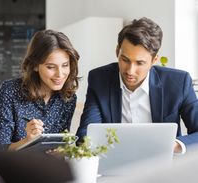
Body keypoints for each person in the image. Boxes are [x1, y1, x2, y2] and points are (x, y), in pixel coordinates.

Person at [76, 17, 198, 153]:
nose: (130, 71)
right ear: (117, 51)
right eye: (125, 60)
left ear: (154, 60)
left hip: (163, 165)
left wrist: (173, 145)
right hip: (114, 162)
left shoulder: (178, 83)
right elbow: (85, 135)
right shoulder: (99, 79)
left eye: (140, 63)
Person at [0, 29, 80, 150]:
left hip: (43, 166)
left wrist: (62, 151)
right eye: (51, 67)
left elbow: (60, 145)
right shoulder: (9, 91)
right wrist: (28, 140)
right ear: (35, 65)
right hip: (9, 164)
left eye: (65, 65)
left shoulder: (68, 98)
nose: (60, 74)